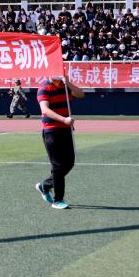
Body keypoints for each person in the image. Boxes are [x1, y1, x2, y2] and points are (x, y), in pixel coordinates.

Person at [35, 77, 85, 209]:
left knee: (69, 163)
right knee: (57, 166)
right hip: (51, 131)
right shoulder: (44, 88)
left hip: (66, 130)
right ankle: (58, 200)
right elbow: (45, 110)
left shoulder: (66, 86)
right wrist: (64, 120)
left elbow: (81, 94)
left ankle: (45, 185)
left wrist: (68, 83)